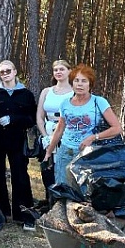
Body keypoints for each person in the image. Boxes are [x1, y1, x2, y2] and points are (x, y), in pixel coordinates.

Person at [44, 64, 123, 186]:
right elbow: (60, 129)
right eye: (76, 80)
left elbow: (117, 128)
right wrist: (49, 152)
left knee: (84, 192)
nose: (79, 84)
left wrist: (93, 137)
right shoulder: (65, 103)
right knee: (62, 188)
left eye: (84, 81)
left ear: (90, 84)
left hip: (87, 153)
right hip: (65, 152)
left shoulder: (99, 102)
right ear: (72, 83)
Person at [0, 60, 38, 230]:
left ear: (15, 71)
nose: (5, 74)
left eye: (8, 70)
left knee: (20, 176)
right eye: (2, 72)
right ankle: (0, 213)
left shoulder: (26, 94)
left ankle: (24, 215)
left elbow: (31, 119)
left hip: (17, 140)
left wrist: (13, 119)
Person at [35, 59, 73, 199]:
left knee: (64, 169)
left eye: (62, 69)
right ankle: (49, 201)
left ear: (69, 71)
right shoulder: (46, 91)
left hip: (66, 134)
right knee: (48, 169)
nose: (58, 72)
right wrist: (45, 136)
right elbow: (39, 116)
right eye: (56, 70)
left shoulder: (74, 92)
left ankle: (64, 201)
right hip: (48, 132)